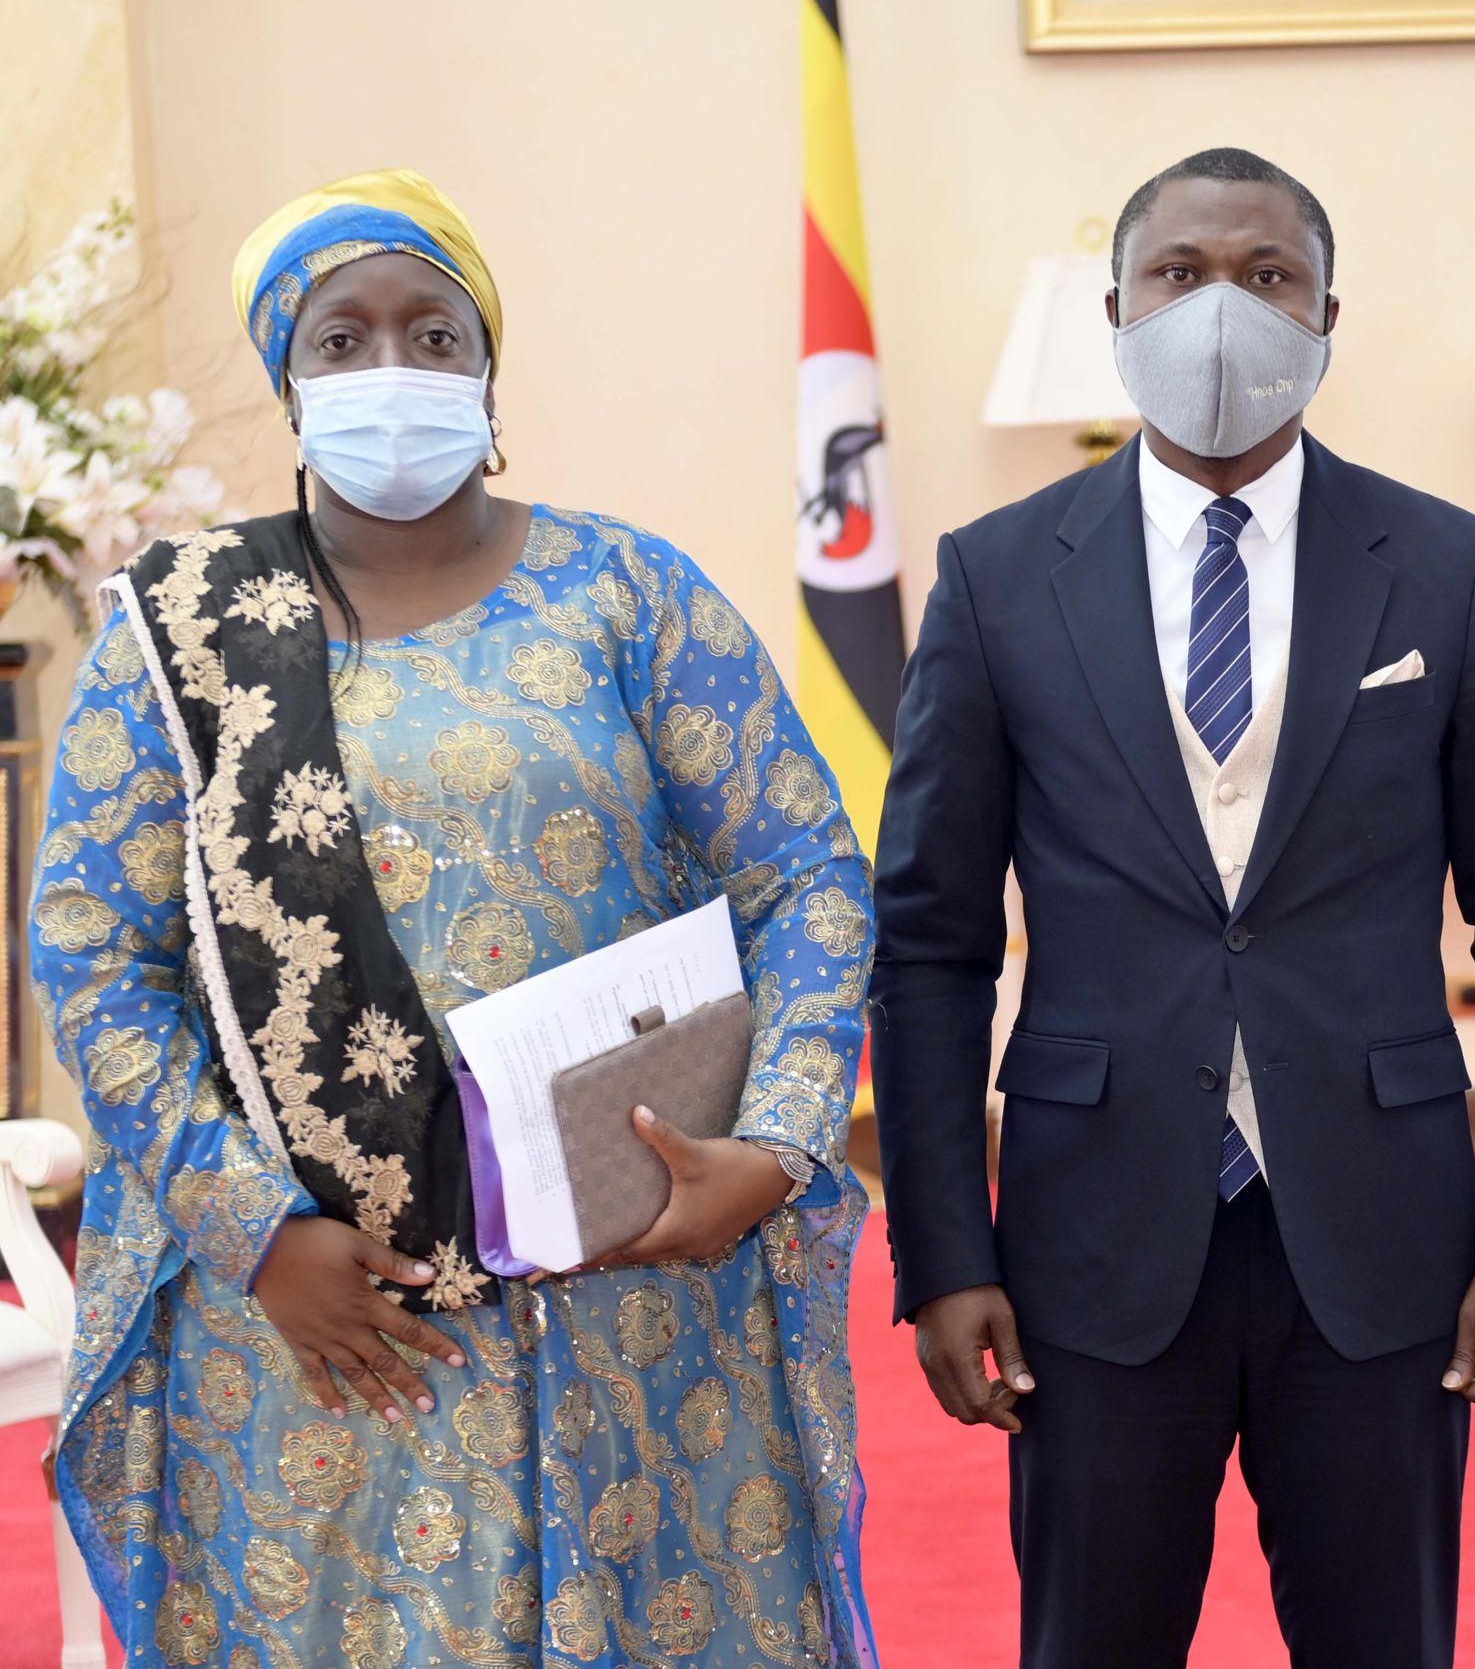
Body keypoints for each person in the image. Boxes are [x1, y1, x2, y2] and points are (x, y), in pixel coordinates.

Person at [31, 170, 883, 1666]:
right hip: (327, 1320)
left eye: (435, 336)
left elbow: (803, 871)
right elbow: (97, 951)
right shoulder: (182, 627)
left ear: (489, 372)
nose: (392, 374)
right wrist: (253, 1232)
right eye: (341, 342)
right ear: (288, 386)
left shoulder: (628, 592)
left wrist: (782, 1140)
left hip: (626, 1282)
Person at [872, 146, 1475, 1668]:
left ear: (1329, 315)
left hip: (1385, 1245)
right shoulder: (999, 581)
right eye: (1181, 275)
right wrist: (946, 1255)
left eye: (1267, 278)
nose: (1224, 311)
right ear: (1116, 310)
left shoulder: (1451, 572)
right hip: (1092, 1243)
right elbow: (933, 943)